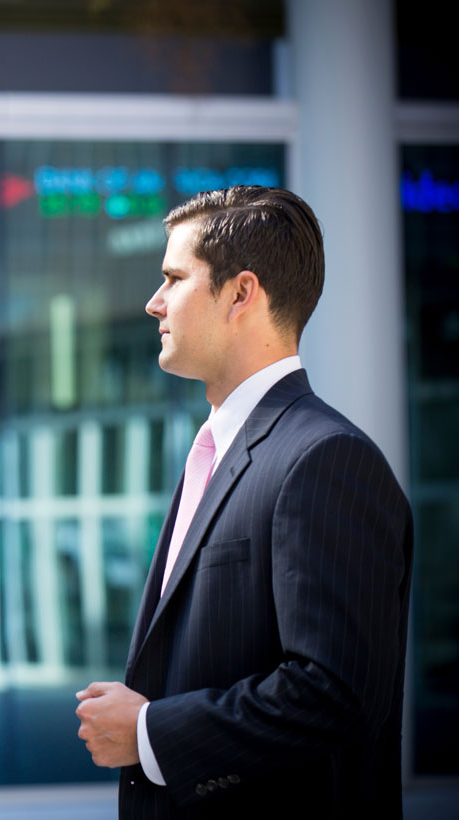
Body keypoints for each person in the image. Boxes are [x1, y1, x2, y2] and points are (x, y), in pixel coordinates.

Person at [74, 186, 413, 819]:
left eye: (173, 278)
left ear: (241, 293)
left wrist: (151, 733)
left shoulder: (324, 458)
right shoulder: (217, 451)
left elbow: (334, 693)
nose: (154, 304)